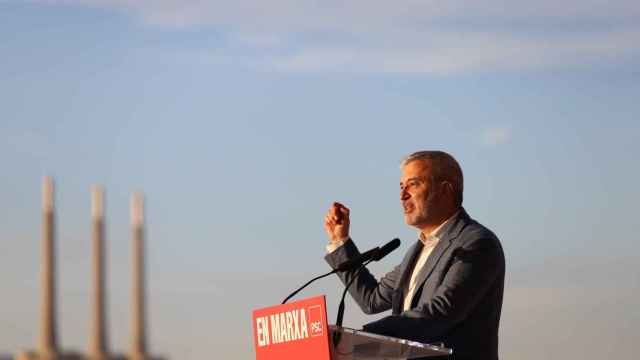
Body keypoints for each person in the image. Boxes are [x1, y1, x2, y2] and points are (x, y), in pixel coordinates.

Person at [324, 151, 505, 360]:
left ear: (446, 190)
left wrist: (360, 338)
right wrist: (340, 241)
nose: (402, 195)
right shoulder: (417, 250)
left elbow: (441, 313)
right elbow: (371, 299)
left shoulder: (477, 242)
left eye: (413, 184)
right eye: (401, 187)